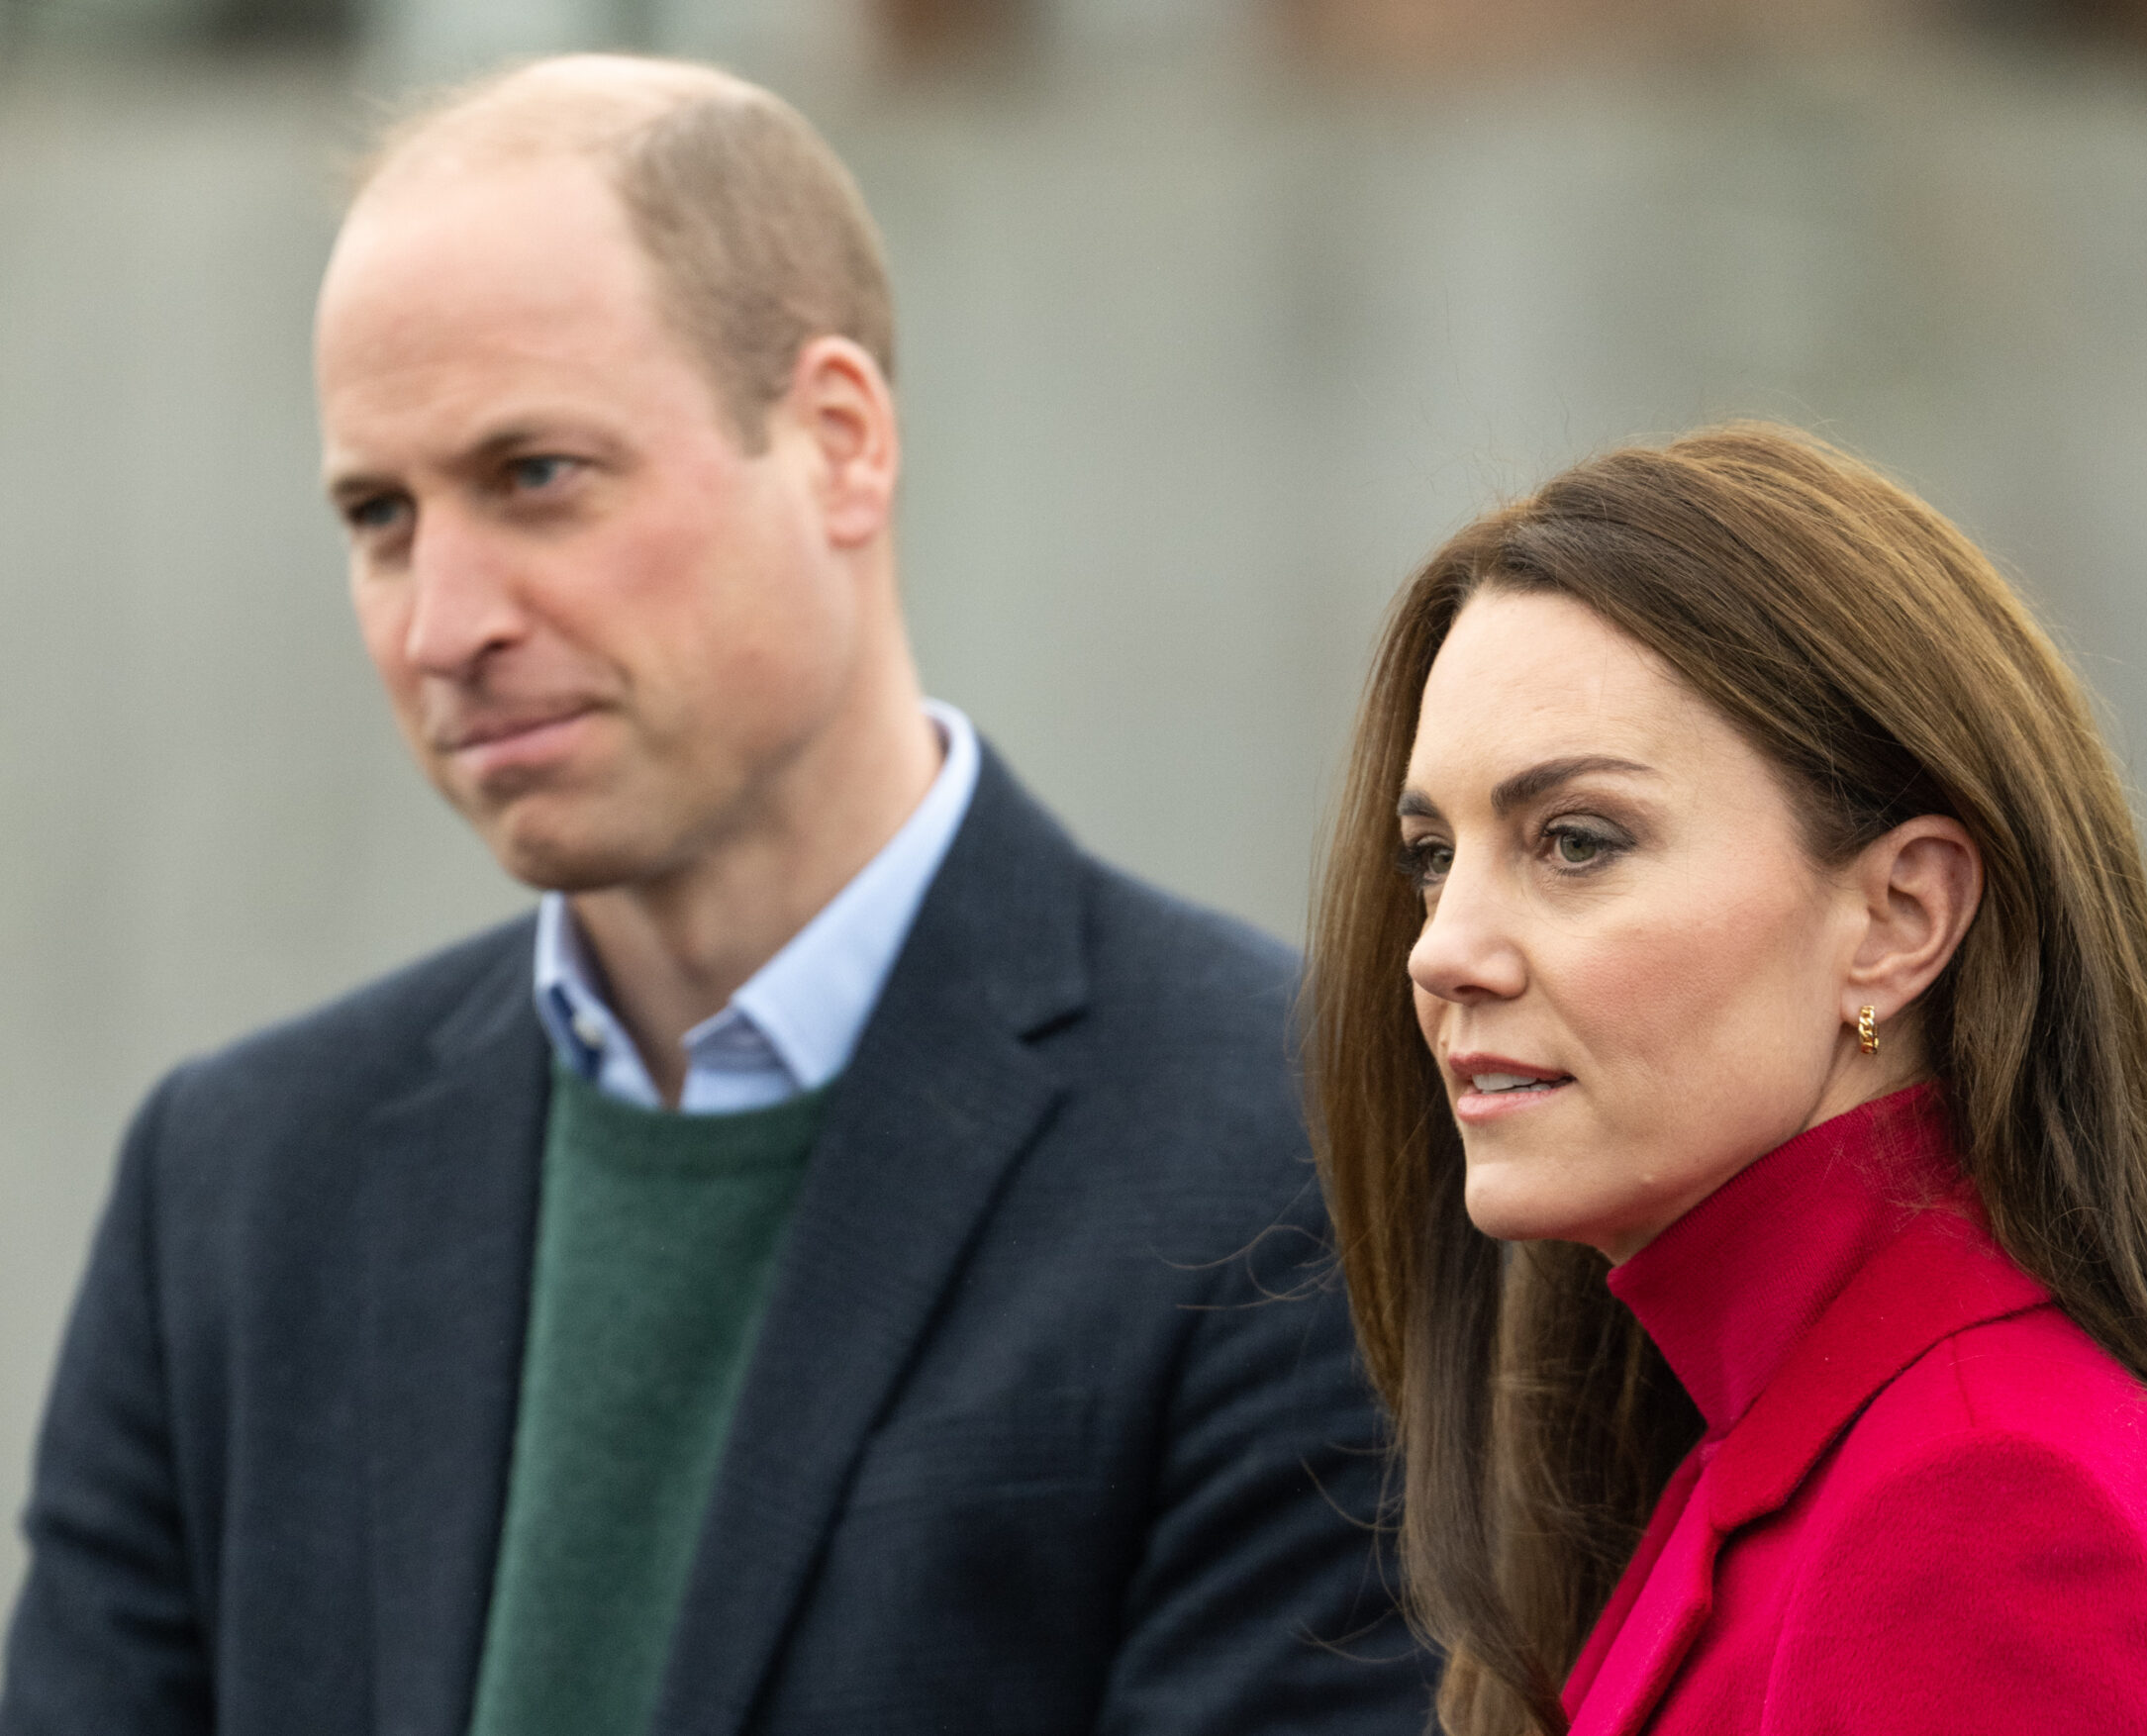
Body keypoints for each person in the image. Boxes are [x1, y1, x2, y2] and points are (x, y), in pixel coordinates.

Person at [2, 54, 1427, 1736]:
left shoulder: (1285, 1145)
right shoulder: (234, 1185)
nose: (444, 619)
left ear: (838, 442)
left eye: (536, 474)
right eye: (380, 516)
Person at [1307, 423, 2147, 1735]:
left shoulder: (1981, 1501)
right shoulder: (1795, 1442)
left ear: (1900, 916)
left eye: (1575, 841)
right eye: (1430, 856)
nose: (1443, 948)